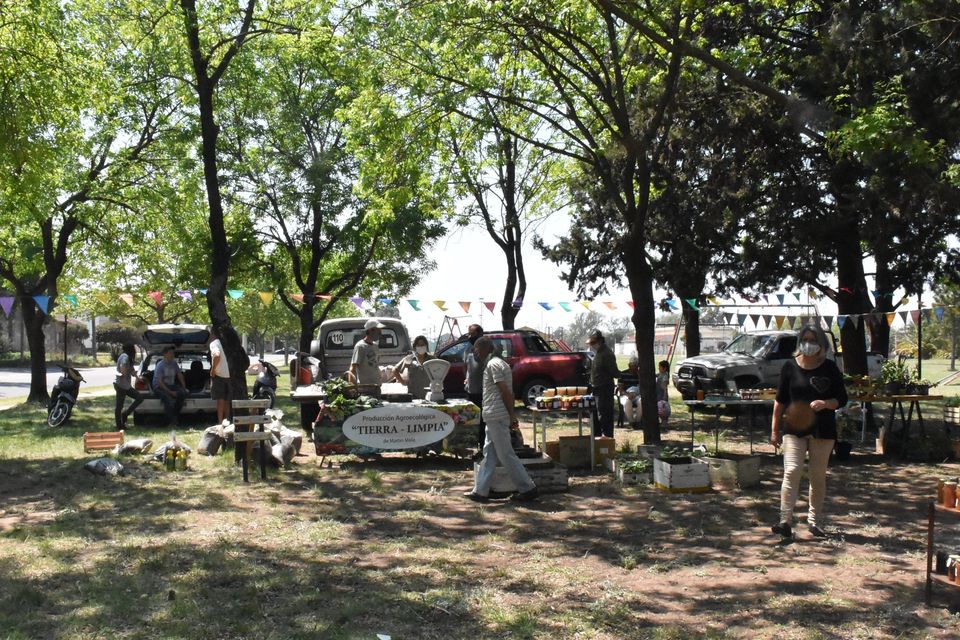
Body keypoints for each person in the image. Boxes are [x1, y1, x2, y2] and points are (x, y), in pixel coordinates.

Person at [769, 324, 847, 540]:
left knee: (817, 477)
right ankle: (785, 521)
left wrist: (826, 403)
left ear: (822, 344)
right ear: (799, 343)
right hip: (793, 429)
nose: (809, 344)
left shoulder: (830, 368)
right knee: (792, 471)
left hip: (823, 430)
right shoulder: (789, 367)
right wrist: (774, 430)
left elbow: (842, 398)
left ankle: (814, 521)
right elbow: (779, 402)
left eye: (814, 340)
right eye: (806, 340)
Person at [464, 336, 538, 503]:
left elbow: (505, 391)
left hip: (497, 415)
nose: (475, 352)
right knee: (489, 454)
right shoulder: (495, 363)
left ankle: (528, 488)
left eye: (476, 349)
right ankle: (480, 491)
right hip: (492, 415)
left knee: (506, 455)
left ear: (484, 348)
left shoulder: (494, 364)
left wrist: (512, 415)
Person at [587, 329, 617, 438]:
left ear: (599, 341)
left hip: (604, 388)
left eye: (593, 343)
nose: (591, 346)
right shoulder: (598, 353)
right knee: (595, 415)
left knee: (604, 415)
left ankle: (607, 439)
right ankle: (597, 439)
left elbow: (614, 372)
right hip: (596, 388)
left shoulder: (607, 354)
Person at [463, 324, 486, 452]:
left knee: (483, 423)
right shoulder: (468, 350)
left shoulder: (486, 351)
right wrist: (466, 378)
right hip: (470, 391)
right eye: (469, 334)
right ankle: (474, 447)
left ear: (480, 335)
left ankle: (483, 449)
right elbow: (465, 366)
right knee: (472, 421)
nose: (470, 337)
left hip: (483, 393)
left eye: (473, 334)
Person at [153, 346, 188, 427]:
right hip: (159, 386)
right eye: (171, 353)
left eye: (173, 353)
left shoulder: (174, 364)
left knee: (182, 394)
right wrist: (170, 392)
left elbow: (180, 375)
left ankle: (174, 417)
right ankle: (171, 422)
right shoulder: (160, 365)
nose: (173, 355)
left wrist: (184, 388)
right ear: (165, 354)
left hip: (170, 385)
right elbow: (159, 382)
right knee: (168, 399)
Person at [393, 335, 432, 399]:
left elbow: (440, 371)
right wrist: (403, 382)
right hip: (413, 395)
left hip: (429, 394)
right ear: (415, 347)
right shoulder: (409, 358)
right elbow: (395, 370)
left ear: (426, 346)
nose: (421, 347)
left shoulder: (432, 359)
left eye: (423, 345)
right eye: (419, 345)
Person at [113, 343, 143, 429]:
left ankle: (125, 414)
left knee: (139, 398)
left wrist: (138, 378)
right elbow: (123, 368)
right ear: (131, 350)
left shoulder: (128, 358)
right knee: (119, 406)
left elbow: (132, 371)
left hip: (126, 386)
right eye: (134, 349)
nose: (135, 351)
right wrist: (125, 371)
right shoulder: (125, 357)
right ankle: (119, 426)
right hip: (120, 385)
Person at [348, 318, 385, 385]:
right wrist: (352, 388)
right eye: (378, 330)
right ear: (371, 330)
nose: (380, 333)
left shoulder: (375, 346)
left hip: (377, 385)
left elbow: (375, 364)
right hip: (365, 387)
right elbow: (353, 369)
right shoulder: (360, 346)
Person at [208, 327, 231, 424]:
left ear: (212, 333)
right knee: (227, 400)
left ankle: (221, 422)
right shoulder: (227, 343)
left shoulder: (214, 343)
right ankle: (228, 420)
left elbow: (216, 355)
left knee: (220, 400)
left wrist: (213, 370)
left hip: (220, 375)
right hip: (230, 375)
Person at [617, 354, 640, 428]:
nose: (635, 368)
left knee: (642, 401)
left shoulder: (640, 374)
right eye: (633, 366)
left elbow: (643, 388)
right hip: (626, 394)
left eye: (636, 366)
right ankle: (631, 422)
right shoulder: (622, 374)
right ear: (629, 365)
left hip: (637, 395)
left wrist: (636, 393)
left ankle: (637, 421)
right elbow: (621, 390)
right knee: (627, 402)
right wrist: (627, 394)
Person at [656, 360, 672, 426]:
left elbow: (665, 387)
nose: (658, 368)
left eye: (660, 367)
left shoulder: (665, 376)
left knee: (662, 408)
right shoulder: (661, 374)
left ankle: (664, 422)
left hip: (662, 394)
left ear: (664, 368)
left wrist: (665, 395)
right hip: (658, 393)